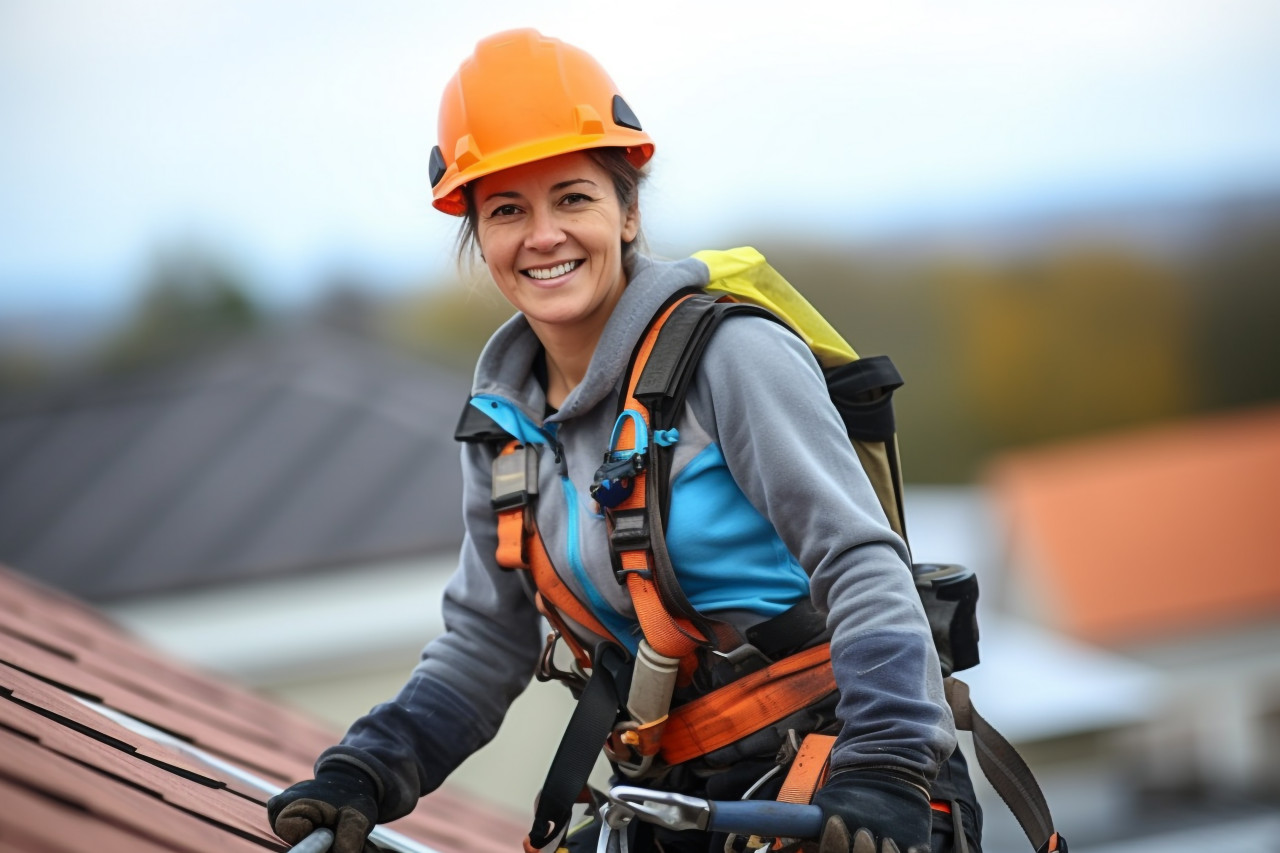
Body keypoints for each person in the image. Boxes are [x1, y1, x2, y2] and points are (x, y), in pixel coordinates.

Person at [267, 28, 980, 853]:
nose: (543, 235)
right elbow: (485, 644)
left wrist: (888, 764)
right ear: (478, 234)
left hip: (834, 783)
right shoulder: (505, 426)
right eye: (507, 209)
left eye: (572, 197)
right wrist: (367, 767)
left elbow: (861, 559)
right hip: (673, 799)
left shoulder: (730, 358)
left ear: (628, 210)